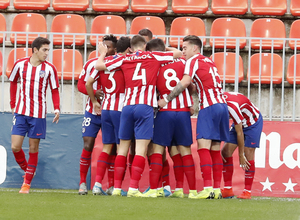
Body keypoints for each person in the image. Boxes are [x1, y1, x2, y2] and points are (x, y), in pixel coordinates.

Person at [95, 35, 182, 197]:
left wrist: (102, 53)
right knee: (141, 149)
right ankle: (134, 188)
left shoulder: (125, 58)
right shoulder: (153, 55)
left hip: (127, 107)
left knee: (122, 149)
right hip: (145, 107)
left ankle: (117, 189)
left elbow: (99, 65)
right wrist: (166, 47)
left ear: (131, 47)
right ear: (145, 45)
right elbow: (178, 53)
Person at [158, 35, 230, 199]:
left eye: (185, 48)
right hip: (222, 105)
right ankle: (216, 190)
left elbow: (184, 82)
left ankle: (206, 189)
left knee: (203, 147)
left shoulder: (193, 61)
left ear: (195, 48)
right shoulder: (209, 61)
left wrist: (166, 99)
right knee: (215, 149)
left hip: (209, 107)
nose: (183, 51)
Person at [143, 38, 197, 199]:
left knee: (158, 150)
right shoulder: (182, 62)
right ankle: (188, 190)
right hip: (182, 112)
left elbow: (151, 90)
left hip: (164, 111)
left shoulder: (154, 66)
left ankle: (154, 189)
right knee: (184, 150)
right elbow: (191, 86)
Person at [9, 37, 60, 194]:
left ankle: (26, 184)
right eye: (44, 50)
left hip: (38, 115)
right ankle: (28, 170)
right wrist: (12, 104)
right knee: (15, 146)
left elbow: (54, 89)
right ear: (35, 50)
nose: (47, 53)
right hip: (21, 112)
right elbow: (12, 82)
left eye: (48, 50)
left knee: (33, 148)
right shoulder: (20, 64)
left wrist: (57, 108)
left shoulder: (50, 69)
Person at [86, 36, 131, 196]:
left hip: (106, 108)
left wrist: (94, 101)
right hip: (120, 109)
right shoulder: (125, 60)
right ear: (128, 49)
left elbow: (88, 82)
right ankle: (116, 187)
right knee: (121, 149)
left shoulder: (103, 63)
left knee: (106, 147)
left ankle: (97, 185)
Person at [77, 34, 117, 195]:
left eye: (108, 46)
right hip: (92, 112)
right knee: (88, 145)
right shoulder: (91, 64)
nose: (104, 49)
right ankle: (82, 184)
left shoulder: (118, 64)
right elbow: (81, 84)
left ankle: (112, 185)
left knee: (112, 149)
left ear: (115, 49)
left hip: (111, 111)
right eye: (103, 45)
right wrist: (94, 93)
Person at [221, 91, 263, 199]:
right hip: (239, 121)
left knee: (248, 154)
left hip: (252, 123)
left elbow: (239, 133)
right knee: (225, 152)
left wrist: (240, 155)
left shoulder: (232, 107)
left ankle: (247, 191)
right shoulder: (218, 100)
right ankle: (228, 189)